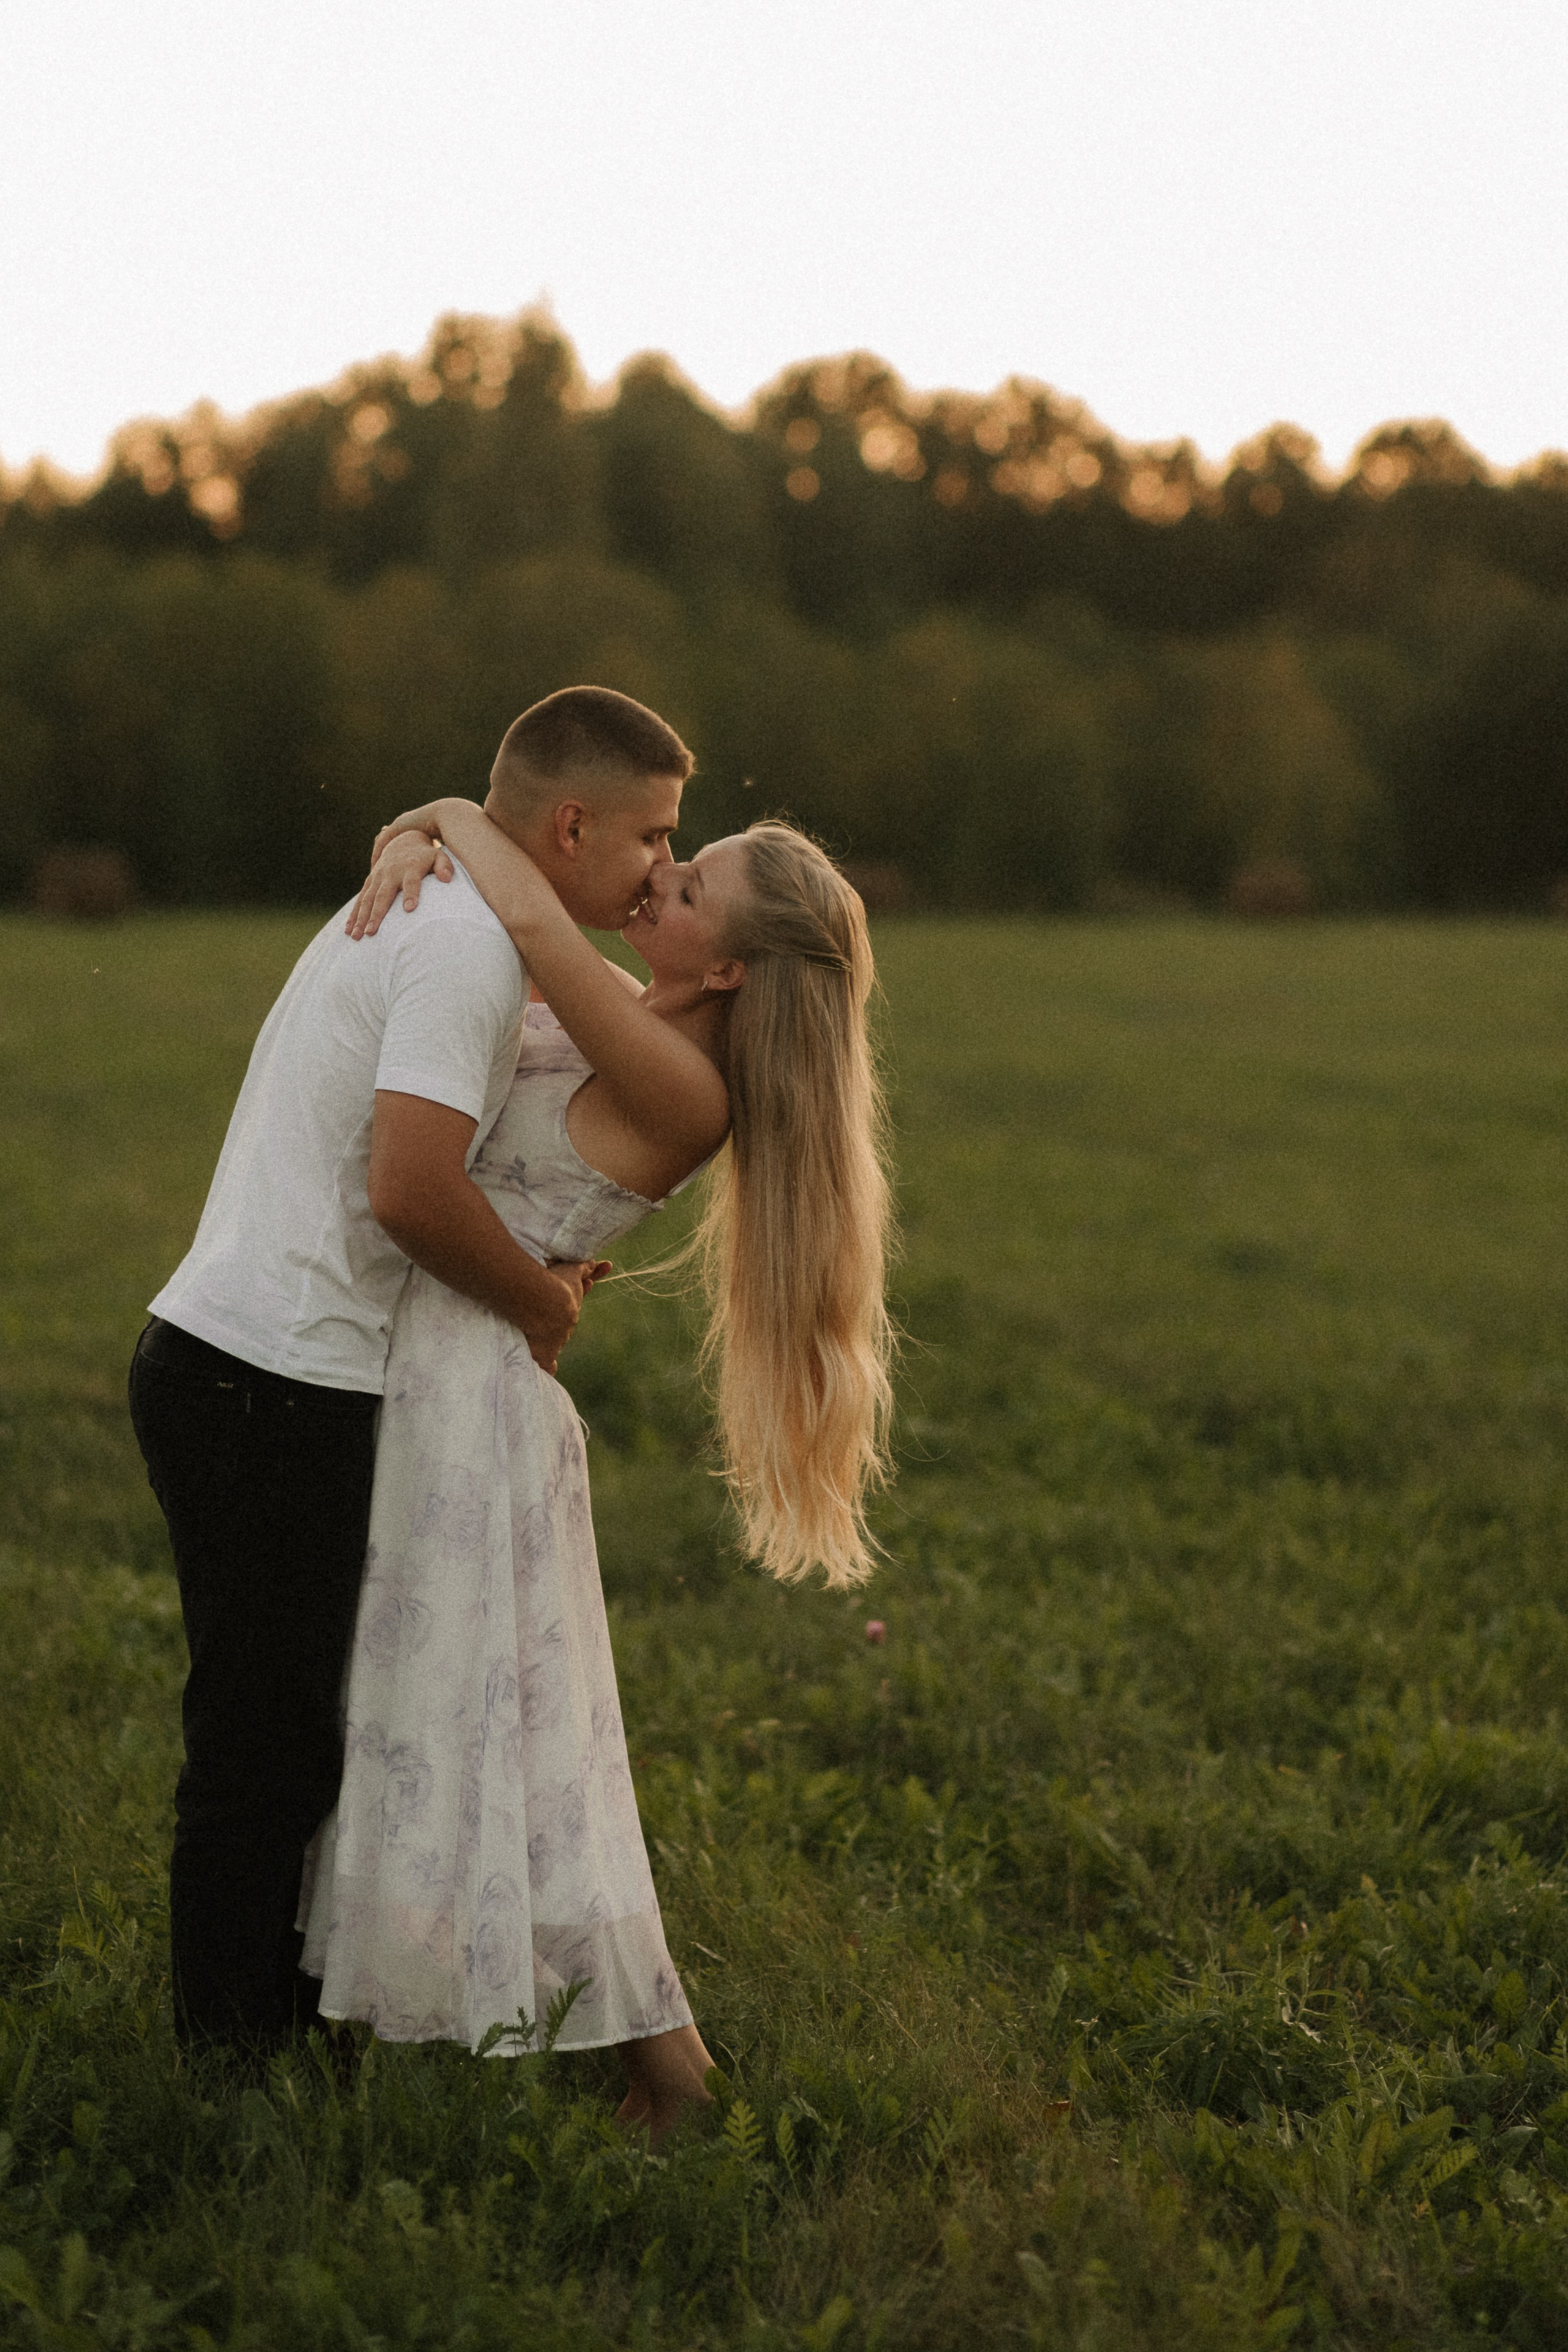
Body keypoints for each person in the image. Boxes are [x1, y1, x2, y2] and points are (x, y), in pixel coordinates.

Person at [296, 796, 895, 2138]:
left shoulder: (681, 1080)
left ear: (730, 967)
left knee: (470, 1735)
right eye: (678, 862)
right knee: (506, 1741)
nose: (660, 882)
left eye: (690, 889)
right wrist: (401, 840)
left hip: (465, 1403)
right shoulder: (638, 1016)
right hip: (452, 1373)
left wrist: (448, 813)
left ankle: (627, 2070)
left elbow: (517, 901)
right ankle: (647, 2069)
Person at [128, 686, 693, 2056]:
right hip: (268, 1374)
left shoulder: (448, 904)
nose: (661, 867)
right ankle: (227, 2075)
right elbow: (411, 1191)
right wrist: (536, 1306)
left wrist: (425, 817)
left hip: (255, 1358)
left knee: (288, 1735)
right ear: (570, 825)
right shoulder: (461, 952)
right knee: (264, 1753)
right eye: (650, 837)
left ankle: (268, 2035)